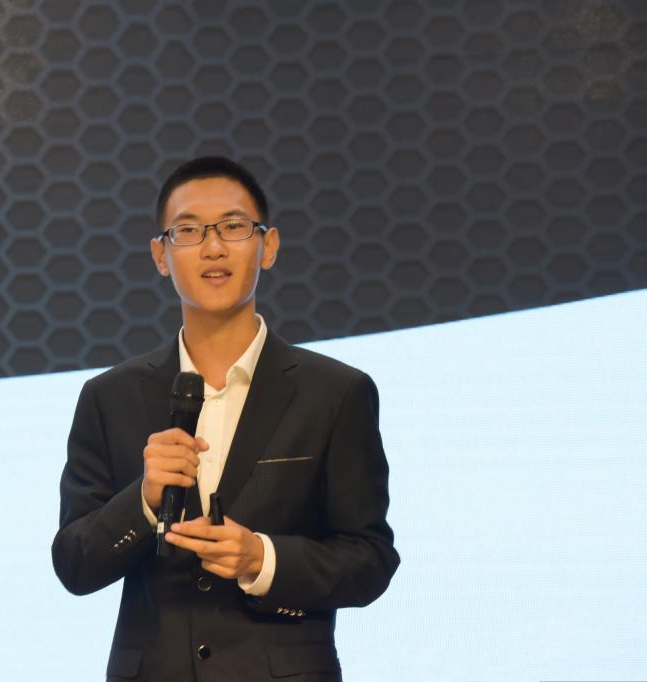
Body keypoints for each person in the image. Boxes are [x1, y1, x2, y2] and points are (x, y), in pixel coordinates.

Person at [52, 156, 399, 681]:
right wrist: (143, 501)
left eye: (233, 226)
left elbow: (370, 560)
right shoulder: (109, 397)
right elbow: (75, 565)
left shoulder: (336, 392)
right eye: (188, 230)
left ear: (269, 245)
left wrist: (261, 558)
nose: (213, 247)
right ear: (161, 255)